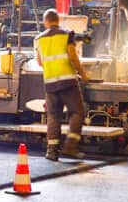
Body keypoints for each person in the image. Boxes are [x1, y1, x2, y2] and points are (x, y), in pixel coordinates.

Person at [35, 8, 89, 161]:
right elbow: (73, 56)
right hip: (68, 81)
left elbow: (39, 62)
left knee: (53, 116)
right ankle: (70, 146)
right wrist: (83, 74)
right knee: (77, 112)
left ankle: (52, 152)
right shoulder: (66, 34)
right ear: (58, 20)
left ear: (46, 22)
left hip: (50, 83)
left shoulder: (39, 39)